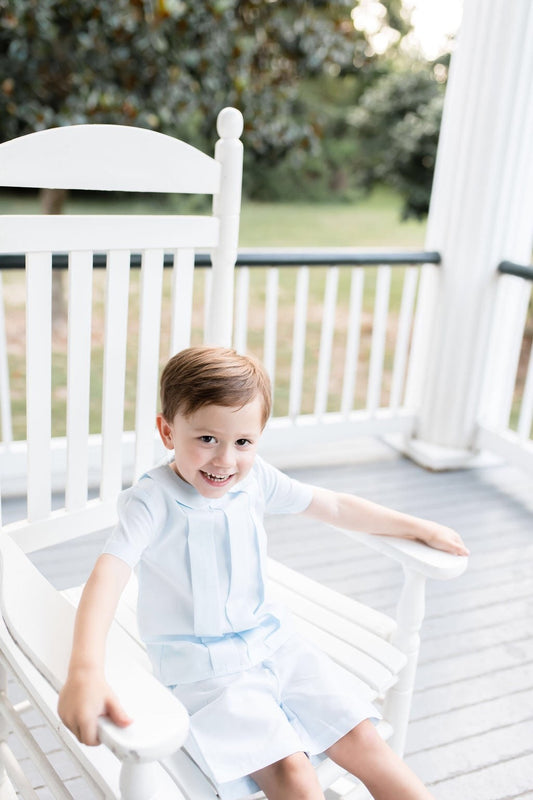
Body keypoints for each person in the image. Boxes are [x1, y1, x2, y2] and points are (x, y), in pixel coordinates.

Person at [58, 345, 468, 800]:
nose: (225, 461)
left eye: (243, 442)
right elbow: (109, 573)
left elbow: (331, 504)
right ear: (167, 431)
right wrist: (85, 669)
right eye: (207, 439)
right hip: (205, 670)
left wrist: (418, 527)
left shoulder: (255, 480)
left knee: (364, 740)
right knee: (294, 775)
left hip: (278, 645)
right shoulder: (152, 500)